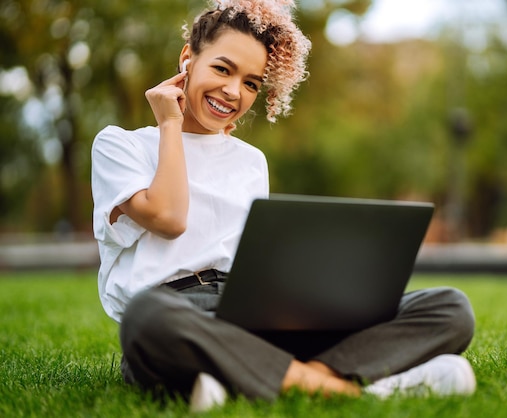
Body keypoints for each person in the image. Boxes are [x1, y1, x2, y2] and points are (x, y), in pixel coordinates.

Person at [91, 0, 476, 412]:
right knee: (146, 318)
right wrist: (170, 122)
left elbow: (256, 259)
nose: (233, 92)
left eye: (251, 83)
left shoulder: (250, 162)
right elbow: (168, 218)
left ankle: (252, 380)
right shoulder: (120, 144)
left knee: (449, 307)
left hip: (254, 317)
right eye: (222, 69)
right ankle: (353, 387)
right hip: (177, 317)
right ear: (188, 59)